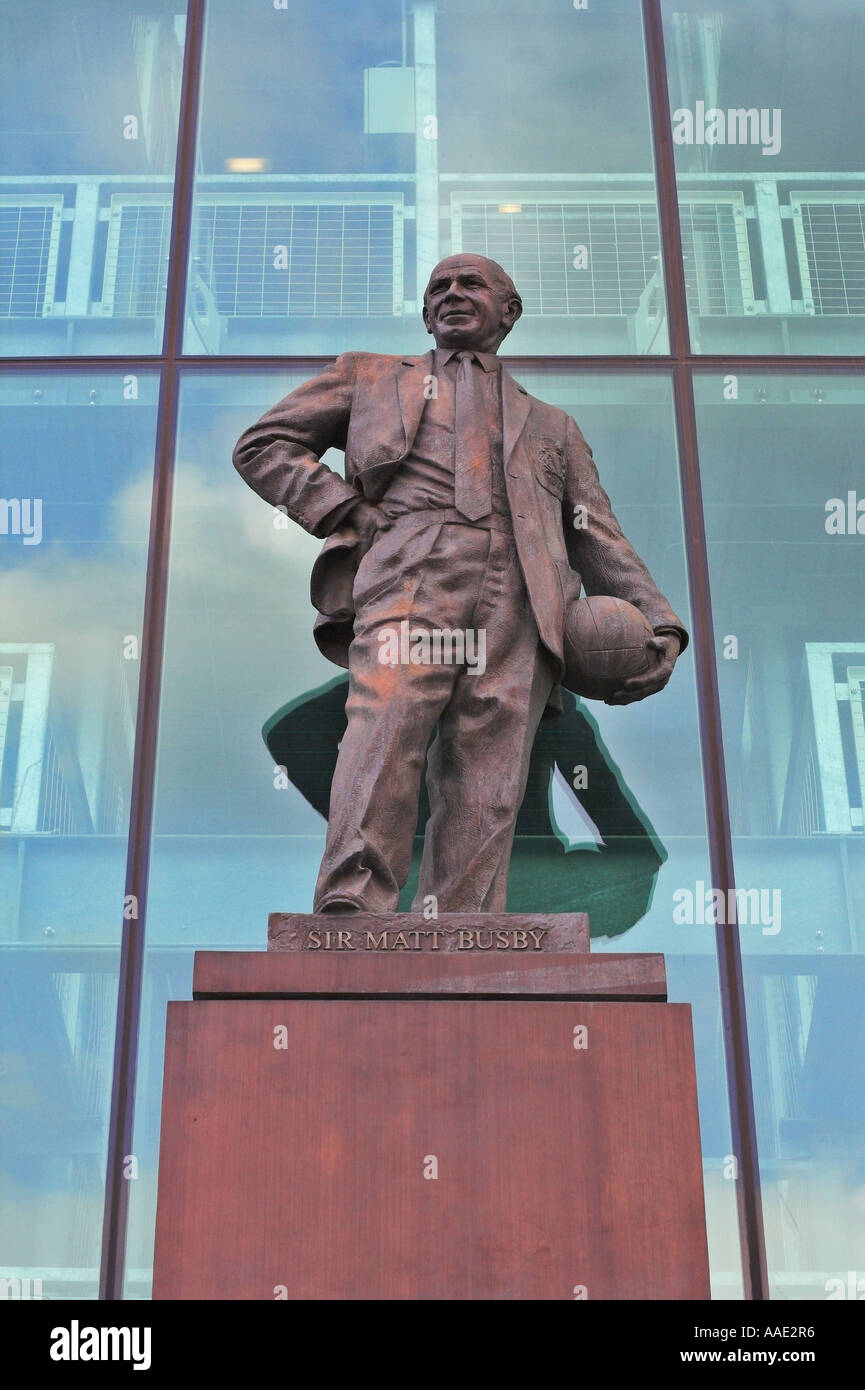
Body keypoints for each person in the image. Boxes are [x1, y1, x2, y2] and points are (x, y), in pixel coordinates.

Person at [233, 254, 688, 914]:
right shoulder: (367, 376)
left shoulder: (553, 426)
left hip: (523, 593)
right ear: (424, 315)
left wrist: (659, 623)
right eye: (437, 289)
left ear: (508, 312)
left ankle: (467, 920)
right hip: (412, 570)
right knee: (384, 728)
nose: (451, 294)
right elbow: (264, 445)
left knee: (491, 769)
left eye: (470, 285)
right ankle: (352, 906)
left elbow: (597, 534)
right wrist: (344, 510)